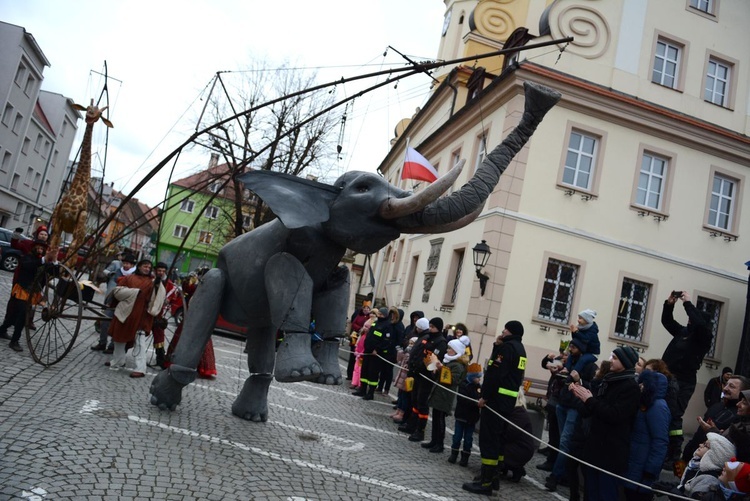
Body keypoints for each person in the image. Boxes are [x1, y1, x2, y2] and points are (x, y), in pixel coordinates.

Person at [462, 320, 527, 495]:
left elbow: (494, 373)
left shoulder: (507, 348)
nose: (503, 331)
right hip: (508, 402)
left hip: (496, 401)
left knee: (489, 439)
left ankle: (485, 483)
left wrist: (485, 397)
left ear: (510, 331)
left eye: (505, 329)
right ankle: (494, 477)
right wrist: (496, 345)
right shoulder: (521, 349)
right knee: (498, 440)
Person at [569, 345, 641, 501]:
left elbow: (614, 415)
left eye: (614, 358)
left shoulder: (631, 387)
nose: (610, 361)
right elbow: (592, 409)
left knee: (605, 494)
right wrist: (579, 396)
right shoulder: (608, 381)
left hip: (611, 453)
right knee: (590, 492)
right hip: (595, 448)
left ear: (625, 362)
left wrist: (589, 400)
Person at [661, 290, 713, 467]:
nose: (690, 319)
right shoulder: (683, 331)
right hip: (667, 376)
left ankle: (674, 453)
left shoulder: (704, 337)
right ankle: (661, 446)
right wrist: (670, 304)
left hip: (684, 381)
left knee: (674, 414)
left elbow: (699, 324)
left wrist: (687, 303)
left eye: (693, 316)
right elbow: (667, 321)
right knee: (661, 410)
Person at [545, 338, 598, 492]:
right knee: (563, 440)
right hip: (563, 403)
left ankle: (555, 476)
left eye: (573, 347)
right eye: (570, 347)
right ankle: (564, 474)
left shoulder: (589, 365)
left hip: (575, 407)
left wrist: (578, 380)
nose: (570, 349)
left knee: (565, 442)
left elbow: (592, 387)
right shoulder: (570, 362)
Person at [107, 259, 164, 378]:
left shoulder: (153, 282)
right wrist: (134, 292)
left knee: (140, 342)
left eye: (149, 267)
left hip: (141, 316)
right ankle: (118, 361)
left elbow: (157, 298)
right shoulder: (129, 278)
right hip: (125, 313)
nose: (147, 269)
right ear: (139, 267)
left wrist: (158, 284)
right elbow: (117, 291)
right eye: (145, 266)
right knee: (119, 339)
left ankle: (140, 368)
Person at [0, 238, 57, 351]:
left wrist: (54, 260)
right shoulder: (27, 258)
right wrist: (44, 259)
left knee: (15, 315)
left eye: (42, 248)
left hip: (33, 293)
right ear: (33, 248)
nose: (40, 250)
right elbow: (29, 266)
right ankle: (14, 341)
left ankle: (2, 330)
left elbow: (55, 273)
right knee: (22, 314)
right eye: (38, 248)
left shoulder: (45, 262)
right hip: (22, 290)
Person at [622, 369, 671, 501]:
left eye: (643, 383)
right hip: (635, 464)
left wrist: (651, 469)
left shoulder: (658, 406)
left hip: (643, 470)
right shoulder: (646, 403)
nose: (640, 385)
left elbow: (660, 441)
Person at [399, 317, 447, 443]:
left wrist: (423, 366)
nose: (430, 329)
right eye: (430, 326)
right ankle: (412, 425)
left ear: (438, 328)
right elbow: (417, 352)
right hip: (417, 374)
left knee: (422, 403)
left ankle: (420, 430)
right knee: (414, 400)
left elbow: (435, 359)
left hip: (427, 377)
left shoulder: (440, 341)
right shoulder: (427, 337)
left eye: (433, 327)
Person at [681, 376, 750, 464]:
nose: (725, 388)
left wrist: (713, 432)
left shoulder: (741, 415)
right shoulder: (717, 406)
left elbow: (727, 445)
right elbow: (699, 434)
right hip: (692, 456)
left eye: (731, 386)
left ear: (743, 391)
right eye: (726, 384)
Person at [422, 338, 469, 453]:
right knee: (436, 418)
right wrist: (437, 370)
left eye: (450, 349)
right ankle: (434, 440)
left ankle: (440, 443)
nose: (447, 350)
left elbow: (452, 380)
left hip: (445, 395)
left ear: (456, 351)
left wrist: (440, 369)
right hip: (439, 393)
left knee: (440, 419)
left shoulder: (457, 365)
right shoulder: (449, 362)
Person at [92, 252, 135, 352]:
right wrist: (108, 300)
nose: (126, 266)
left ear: (132, 265)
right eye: (124, 263)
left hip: (124, 304)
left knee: (117, 325)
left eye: (128, 264)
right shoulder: (117, 271)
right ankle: (102, 342)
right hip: (112, 301)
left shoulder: (134, 275)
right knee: (104, 322)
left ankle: (112, 346)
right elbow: (112, 287)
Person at [537, 343, 568, 472]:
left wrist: (559, 372)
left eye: (565, 354)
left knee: (556, 433)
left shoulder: (568, 367)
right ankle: (550, 450)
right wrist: (547, 358)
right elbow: (545, 364)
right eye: (563, 353)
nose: (562, 356)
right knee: (552, 431)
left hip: (559, 403)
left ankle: (552, 461)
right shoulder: (560, 363)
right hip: (552, 401)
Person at [449, 362, 483, 466]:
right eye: (478, 377)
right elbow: (463, 399)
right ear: (472, 376)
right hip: (461, 416)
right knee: (457, 437)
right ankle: (453, 454)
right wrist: (475, 402)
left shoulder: (479, 388)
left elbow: (479, 398)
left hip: (471, 418)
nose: (479, 379)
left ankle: (465, 458)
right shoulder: (463, 385)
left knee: (468, 439)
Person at [151, 262, 177, 369]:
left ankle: (160, 359)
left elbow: (169, 299)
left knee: (159, 336)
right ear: (155, 271)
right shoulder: (150, 280)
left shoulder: (170, 285)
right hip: (145, 311)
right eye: (159, 271)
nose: (161, 273)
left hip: (159, 313)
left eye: (163, 271)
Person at [392, 335, 419, 423]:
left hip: (406, 378)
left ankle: (402, 413)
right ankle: (398, 410)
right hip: (401, 376)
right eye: (410, 343)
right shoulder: (406, 352)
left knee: (404, 397)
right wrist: (400, 353)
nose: (410, 345)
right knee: (400, 396)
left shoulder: (413, 354)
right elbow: (399, 361)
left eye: (412, 344)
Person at [565, 308, 600, 374]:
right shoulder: (581, 327)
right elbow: (576, 340)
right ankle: (566, 369)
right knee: (571, 355)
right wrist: (573, 332)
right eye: (579, 318)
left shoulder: (592, 330)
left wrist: (576, 331)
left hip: (592, 353)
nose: (578, 320)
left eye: (581, 318)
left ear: (587, 319)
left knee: (582, 359)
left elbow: (586, 339)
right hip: (583, 350)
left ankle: (574, 373)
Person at [347, 301, 371, 380]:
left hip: (363, 339)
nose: (366, 310)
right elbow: (353, 323)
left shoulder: (369, 318)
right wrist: (359, 328)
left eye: (368, 308)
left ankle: (357, 377)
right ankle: (350, 374)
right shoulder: (358, 315)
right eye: (365, 308)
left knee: (359, 360)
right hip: (355, 337)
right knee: (352, 357)